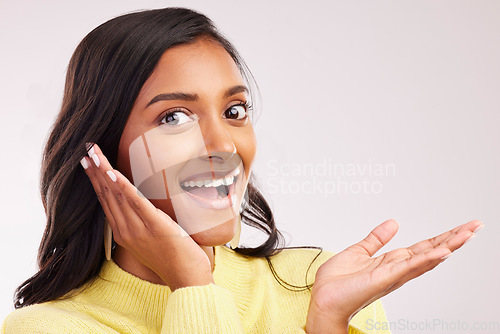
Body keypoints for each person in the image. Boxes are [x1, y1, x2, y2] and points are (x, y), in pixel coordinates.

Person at [1, 7, 483, 334]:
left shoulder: (318, 284)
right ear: (102, 153)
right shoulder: (50, 328)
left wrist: (328, 323)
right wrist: (191, 288)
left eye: (234, 111)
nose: (224, 145)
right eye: (174, 117)